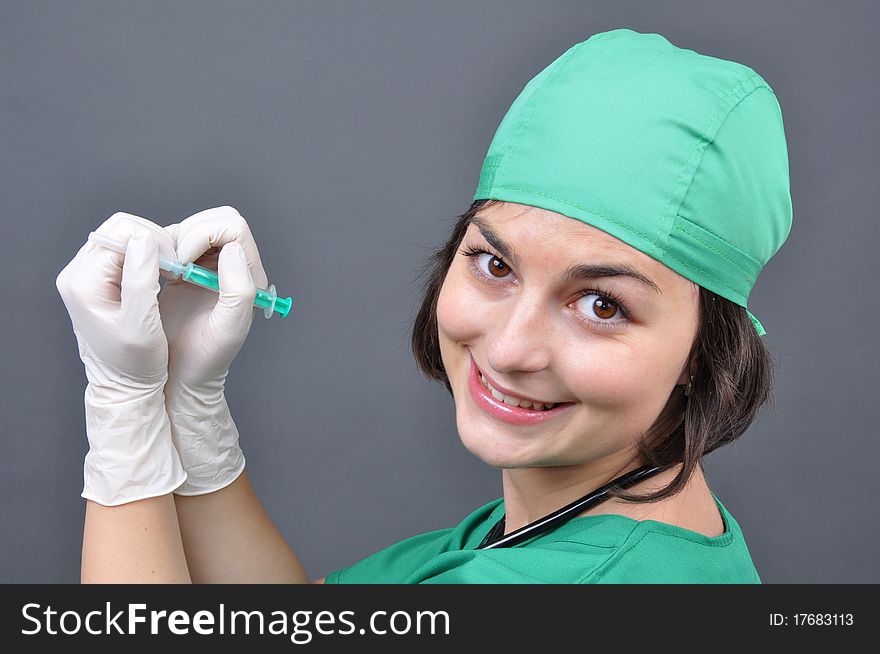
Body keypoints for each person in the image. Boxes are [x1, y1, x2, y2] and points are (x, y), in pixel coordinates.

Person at [56, 28, 791, 584]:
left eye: (600, 304)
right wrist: (190, 413)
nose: (508, 349)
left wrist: (123, 414)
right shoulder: (581, 525)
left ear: (706, 352)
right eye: (495, 263)